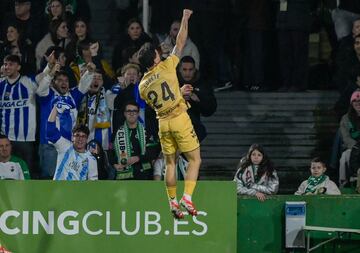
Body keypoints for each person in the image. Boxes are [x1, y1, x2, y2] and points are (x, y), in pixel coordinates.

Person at [138, 9, 201, 219]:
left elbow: (160, 99)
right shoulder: (166, 65)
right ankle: (188, 197)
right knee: (195, 160)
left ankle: (172, 202)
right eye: (157, 52)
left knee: (170, 163)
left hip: (163, 124)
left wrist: (177, 93)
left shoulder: (142, 86)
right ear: (155, 57)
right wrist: (184, 18)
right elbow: (181, 42)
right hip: (179, 118)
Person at [36, 55, 95, 179]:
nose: (64, 83)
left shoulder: (73, 95)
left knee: (67, 177)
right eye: (60, 80)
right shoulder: (48, 95)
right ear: (53, 82)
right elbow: (40, 90)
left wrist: (90, 72)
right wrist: (51, 74)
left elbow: (83, 86)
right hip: (50, 144)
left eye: (66, 80)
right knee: (49, 178)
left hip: (68, 146)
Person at [0, 54, 41, 177]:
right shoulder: (1, 84)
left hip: (25, 139)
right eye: (5, 64)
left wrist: (49, 66)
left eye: (11, 64)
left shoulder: (28, 81)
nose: (7, 67)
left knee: (26, 172)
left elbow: (42, 78)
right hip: (5, 139)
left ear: (18, 67)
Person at [109, 101, 160, 180]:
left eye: (134, 111)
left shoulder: (147, 132)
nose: (132, 113)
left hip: (144, 175)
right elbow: (111, 153)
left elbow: (152, 152)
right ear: (124, 113)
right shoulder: (116, 133)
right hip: (123, 175)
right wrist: (114, 164)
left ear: (138, 113)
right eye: (129, 111)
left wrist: (137, 158)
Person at [47, 105, 98, 180]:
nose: (80, 139)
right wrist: (55, 108)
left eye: (83, 136)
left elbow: (93, 183)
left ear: (87, 139)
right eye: (77, 135)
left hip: (76, 191)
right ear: (72, 137)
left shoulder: (91, 160)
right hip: (58, 190)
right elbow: (50, 132)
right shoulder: (65, 146)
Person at [177, 55, 217, 142]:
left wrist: (197, 99)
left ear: (194, 70)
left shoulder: (201, 83)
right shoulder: (172, 82)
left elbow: (211, 108)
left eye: (190, 70)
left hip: (193, 129)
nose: (187, 73)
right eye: (184, 70)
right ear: (180, 70)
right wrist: (179, 96)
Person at [338, 90, 360, 186]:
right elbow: (345, 136)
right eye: (355, 101)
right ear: (352, 103)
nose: (358, 104)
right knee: (343, 158)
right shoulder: (346, 118)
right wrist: (355, 145)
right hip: (353, 147)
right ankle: (343, 182)